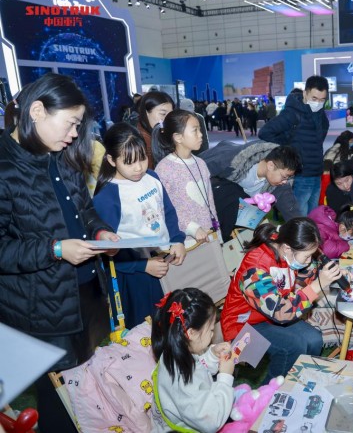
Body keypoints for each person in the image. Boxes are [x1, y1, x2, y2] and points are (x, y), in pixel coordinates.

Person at [0, 73, 120, 432]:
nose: (74, 134)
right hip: (40, 309)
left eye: (78, 125)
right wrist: (55, 249)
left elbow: (84, 210)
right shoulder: (5, 167)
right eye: (70, 123)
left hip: (85, 294)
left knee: (86, 388)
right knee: (59, 401)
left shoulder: (62, 155)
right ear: (37, 111)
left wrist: (101, 232)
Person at [220, 218, 344, 382]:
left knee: (314, 339)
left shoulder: (284, 245)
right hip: (241, 326)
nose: (309, 261)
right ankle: (270, 393)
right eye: (307, 257)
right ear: (287, 248)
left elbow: (301, 277)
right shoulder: (254, 269)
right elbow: (281, 313)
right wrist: (317, 285)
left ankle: (299, 382)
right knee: (293, 346)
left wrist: (333, 275)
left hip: (267, 317)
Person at [94, 123, 186, 328]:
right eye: (129, 162)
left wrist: (177, 240)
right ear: (111, 160)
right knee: (146, 332)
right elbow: (105, 254)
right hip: (134, 276)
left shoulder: (152, 177)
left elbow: (168, 212)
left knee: (172, 323)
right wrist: (143, 266)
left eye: (142, 158)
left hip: (164, 263)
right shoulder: (107, 197)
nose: (138, 168)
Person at [150, 288, 235, 433]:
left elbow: (199, 368)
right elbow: (212, 421)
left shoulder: (175, 350)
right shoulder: (182, 381)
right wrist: (225, 377)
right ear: (191, 333)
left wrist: (212, 355)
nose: (213, 335)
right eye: (211, 330)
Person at [200, 140, 302, 240]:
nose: (285, 181)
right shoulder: (233, 160)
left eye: (288, 178)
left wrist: (303, 232)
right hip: (210, 195)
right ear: (270, 165)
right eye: (284, 177)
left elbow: (291, 210)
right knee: (232, 192)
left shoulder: (280, 180)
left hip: (238, 215)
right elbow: (198, 172)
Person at [259, 76, 330, 215]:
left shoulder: (321, 115)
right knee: (299, 216)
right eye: (314, 98)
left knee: (313, 215)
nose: (318, 103)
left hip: (316, 173)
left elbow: (319, 140)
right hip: (300, 174)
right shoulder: (292, 113)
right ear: (305, 93)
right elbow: (265, 132)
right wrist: (288, 147)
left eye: (322, 100)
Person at [154, 110, 219, 246]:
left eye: (200, 130)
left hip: (209, 236)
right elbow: (163, 209)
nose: (201, 134)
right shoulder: (164, 169)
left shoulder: (201, 163)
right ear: (178, 137)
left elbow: (210, 202)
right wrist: (192, 228)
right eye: (195, 130)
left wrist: (217, 234)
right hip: (185, 243)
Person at [136, 91, 174, 169]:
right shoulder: (140, 142)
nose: (167, 119)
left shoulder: (160, 134)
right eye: (163, 114)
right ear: (146, 112)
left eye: (170, 114)